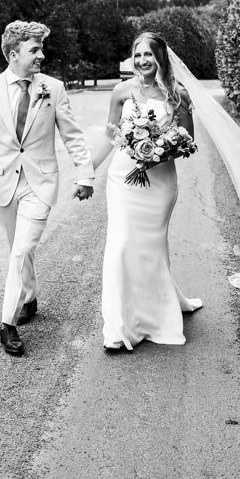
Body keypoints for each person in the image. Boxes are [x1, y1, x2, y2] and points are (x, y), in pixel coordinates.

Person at [0, 21, 95, 357]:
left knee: (22, 249)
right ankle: (30, 297)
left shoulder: (53, 88)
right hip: (4, 183)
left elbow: (72, 134)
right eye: (34, 49)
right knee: (17, 248)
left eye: (41, 48)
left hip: (40, 182)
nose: (42, 54)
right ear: (13, 54)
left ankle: (7, 323)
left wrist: (85, 174)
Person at [88, 32, 203, 352]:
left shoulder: (177, 94)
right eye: (137, 54)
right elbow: (110, 136)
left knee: (150, 249)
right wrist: (86, 172)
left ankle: (158, 313)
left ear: (161, 58)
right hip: (122, 180)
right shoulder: (121, 92)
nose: (142, 61)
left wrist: (156, 155)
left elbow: (188, 143)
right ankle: (118, 327)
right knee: (121, 245)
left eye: (149, 55)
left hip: (160, 182)